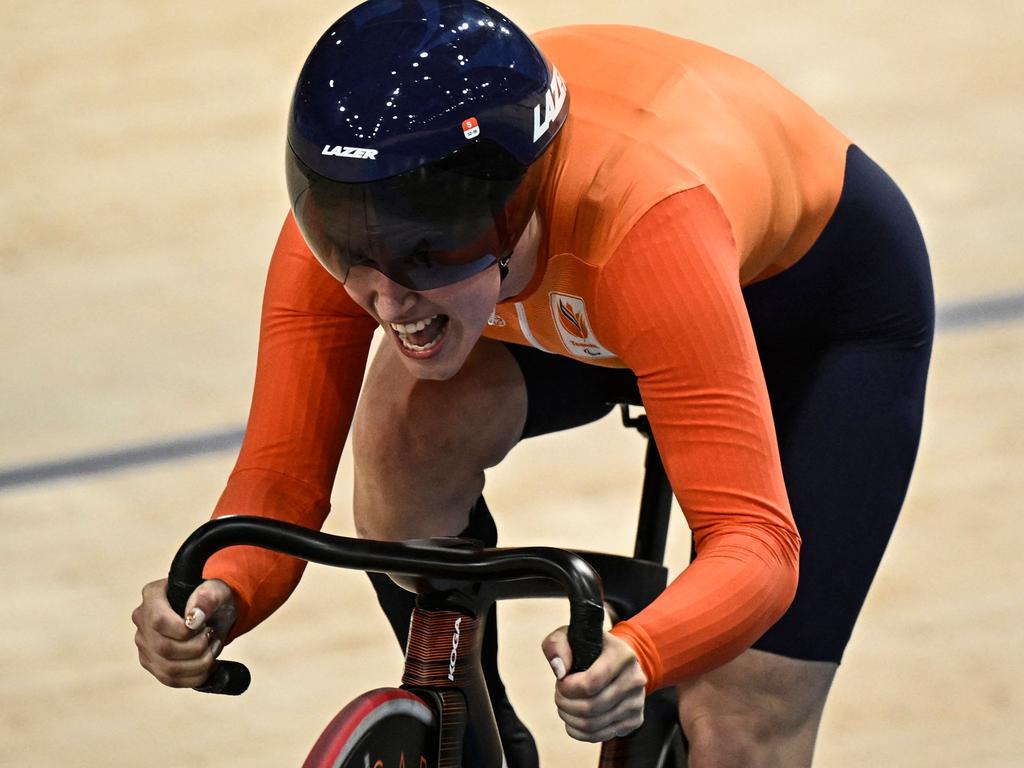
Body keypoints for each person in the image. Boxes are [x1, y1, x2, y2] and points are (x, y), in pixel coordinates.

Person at [132, 1, 935, 765]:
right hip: (570, 287)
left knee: (739, 716)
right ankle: (471, 734)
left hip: (806, 312)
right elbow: (278, 480)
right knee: (399, 467)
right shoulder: (353, 222)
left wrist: (642, 651)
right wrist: (220, 595)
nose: (383, 296)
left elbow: (757, 547)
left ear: (514, 207)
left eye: (424, 252)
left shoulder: (644, 229)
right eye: (352, 253)